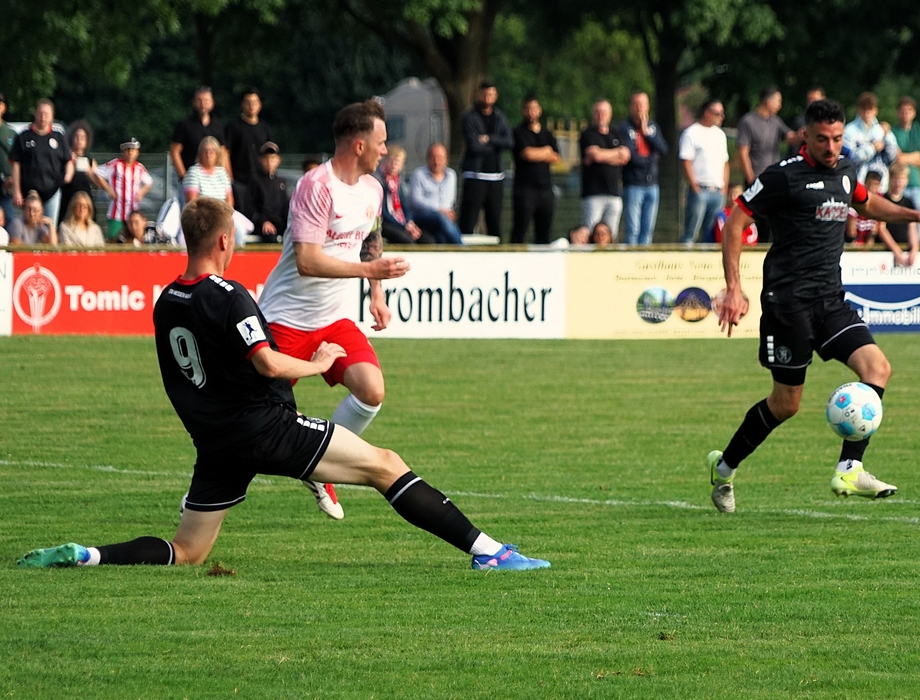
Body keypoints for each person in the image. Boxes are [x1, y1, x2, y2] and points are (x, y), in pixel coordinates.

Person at [16, 196, 549, 572]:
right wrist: (320, 363)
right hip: (264, 428)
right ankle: (490, 552)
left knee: (189, 551)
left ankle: (89, 555)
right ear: (224, 240)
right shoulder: (230, 296)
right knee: (386, 465)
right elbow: (269, 364)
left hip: (216, 441)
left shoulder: (166, 301)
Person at [709, 99, 920, 514]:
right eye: (822, 139)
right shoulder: (782, 177)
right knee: (786, 404)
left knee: (878, 369)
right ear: (806, 135)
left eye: (838, 138)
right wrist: (734, 287)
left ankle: (849, 468)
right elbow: (736, 222)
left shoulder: (845, 170)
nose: (831, 147)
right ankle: (724, 468)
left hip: (829, 301)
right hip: (788, 305)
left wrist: (916, 216)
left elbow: (867, 203)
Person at [256, 99, 410, 521]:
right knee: (258, 421)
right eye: (381, 142)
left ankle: (319, 466)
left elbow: (371, 239)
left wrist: (376, 293)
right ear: (359, 145)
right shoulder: (316, 186)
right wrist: (368, 271)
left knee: (372, 390)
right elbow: (307, 261)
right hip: (285, 319)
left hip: (334, 320)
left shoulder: (373, 189)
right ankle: (207, 491)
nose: (385, 150)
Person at [736, 86, 796, 242]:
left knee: (771, 222)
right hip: (756, 180)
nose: (780, 105)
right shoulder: (748, 121)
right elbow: (743, 152)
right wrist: (750, 178)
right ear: (768, 101)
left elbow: (791, 138)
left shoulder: (775, 121)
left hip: (773, 180)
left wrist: (806, 134)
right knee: (755, 220)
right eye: (778, 101)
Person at [458, 81, 513, 238]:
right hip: (475, 175)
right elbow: (474, 146)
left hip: (496, 177)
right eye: (484, 94)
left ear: (496, 96)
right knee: (468, 221)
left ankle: (497, 249)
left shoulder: (500, 117)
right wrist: (497, 145)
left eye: (491, 94)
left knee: (494, 222)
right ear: (478, 95)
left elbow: (509, 142)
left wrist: (489, 139)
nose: (487, 98)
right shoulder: (469, 117)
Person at [10, 99, 73, 222]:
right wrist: (17, 191)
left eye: (46, 114)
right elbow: (15, 164)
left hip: (52, 192)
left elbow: (68, 160)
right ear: (35, 114)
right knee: (27, 227)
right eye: (40, 113)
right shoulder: (23, 136)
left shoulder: (59, 137)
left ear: (52, 116)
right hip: (28, 193)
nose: (43, 117)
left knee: (49, 226)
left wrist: (68, 176)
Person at [620, 91, 669, 245]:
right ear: (631, 107)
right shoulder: (624, 128)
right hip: (633, 184)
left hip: (652, 185)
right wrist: (651, 158)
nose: (639, 107)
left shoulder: (653, 127)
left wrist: (647, 133)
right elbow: (631, 157)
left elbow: (663, 149)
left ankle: (644, 256)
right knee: (633, 229)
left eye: (642, 104)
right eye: (636, 104)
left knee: (647, 229)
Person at [510, 95, 560, 244]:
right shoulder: (518, 132)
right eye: (527, 109)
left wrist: (539, 153)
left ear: (539, 110)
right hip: (524, 190)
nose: (531, 113)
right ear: (523, 111)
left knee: (544, 232)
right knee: (520, 229)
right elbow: (527, 154)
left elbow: (556, 157)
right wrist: (546, 150)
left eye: (534, 109)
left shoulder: (547, 133)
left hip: (545, 189)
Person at [679, 99, 729, 246]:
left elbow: (725, 162)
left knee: (712, 234)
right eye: (718, 113)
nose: (722, 117)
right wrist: (695, 186)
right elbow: (686, 161)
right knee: (691, 232)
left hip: (717, 191)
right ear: (707, 114)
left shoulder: (720, 135)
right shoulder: (691, 133)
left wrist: (724, 187)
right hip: (700, 189)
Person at [579, 99, 629, 240]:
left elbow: (625, 157)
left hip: (614, 193)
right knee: (590, 234)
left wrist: (602, 155)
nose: (601, 115)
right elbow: (595, 155)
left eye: (604, 112)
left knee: (610, 236)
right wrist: (616, 153)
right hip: (593, 194)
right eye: (598, 112)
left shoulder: (616, 133)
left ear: (610, 114)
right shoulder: (588, 134)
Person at [170, 87, 229, 195]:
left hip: (213, 181)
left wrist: (225, 177)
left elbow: (223, 152)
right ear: (194, 102)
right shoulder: (184, 125)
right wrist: (183, 176)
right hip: (191, 180)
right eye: (199, 100)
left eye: (206, 100)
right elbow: (175, 151)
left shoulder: (218, 126)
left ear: (212, 103)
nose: (203, 104)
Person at [93, 137, 154, 241]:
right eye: (127, 149)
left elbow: (149, 182)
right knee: (114, 240)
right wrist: (108, 189)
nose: (130, 152)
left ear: (137, 152)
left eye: (133, 149)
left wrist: (141, 193)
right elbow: (97, 172)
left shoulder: (139, 168)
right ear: (123, 151)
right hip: (116, 212)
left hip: (133, 212)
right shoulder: (115, 164)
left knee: (134, 239)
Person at [226, 88, 272, 216]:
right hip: (240, 180)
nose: (251, 106)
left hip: (260, 181)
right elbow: (225, 153)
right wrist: (230, 178)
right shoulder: (233, 127)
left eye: (254, 102)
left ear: (260, 105)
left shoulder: (264, 128)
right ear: (242, 104)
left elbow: (270, 155)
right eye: (248, 102)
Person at [408, 143, 463, 245]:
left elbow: (450, 198)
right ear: (428, 159)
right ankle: (462, 247)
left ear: (446, 160)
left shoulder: (451, 175)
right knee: (440, 217)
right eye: (433, 158)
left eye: (440, 158)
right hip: (422, 215)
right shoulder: (418, 174)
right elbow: (415, 200)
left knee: (441, 235)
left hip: (443, 218)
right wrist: (439, 210)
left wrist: (447, 211)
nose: (437, 161)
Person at [843, 92, 897, 193]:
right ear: (858, 110)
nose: (867, 113)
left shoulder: (882, 129)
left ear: (876, 110)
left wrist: (887, 138)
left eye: (870, 109)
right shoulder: (849, 131)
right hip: (857, 185)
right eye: (864, 109)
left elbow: (892, 157)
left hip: (881, 186)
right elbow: (849, 158)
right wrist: (871, 148)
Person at [374, 145, 422, 244]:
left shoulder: (399, 183)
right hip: (385, 222)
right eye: (391, 161)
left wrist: (409, 223)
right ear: (385, 161)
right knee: (407, 241)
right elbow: (383, 211)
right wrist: (404, 226)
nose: (394, 165)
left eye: (398, 162)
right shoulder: (378, 180)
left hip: (401, 221)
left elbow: (405, 206)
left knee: (426, 239)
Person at [890, 97, 920, 207]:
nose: (906, 114)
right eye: (902, 111)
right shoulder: (892, 132)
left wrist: (905, 158)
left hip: (916, 184)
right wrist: (917, 155)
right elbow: (897, 158)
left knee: (917, 215)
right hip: (898, 184)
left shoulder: (919, 132)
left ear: (914, 113)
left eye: (909, 111)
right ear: (897, 113)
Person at [879, 162, 920, 266]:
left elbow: (912, 228)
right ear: (890, 179)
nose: (899, 183)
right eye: (896, 179)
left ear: (907, 180)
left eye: (902, 179)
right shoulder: (883, 200)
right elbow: (881, 228)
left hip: (904, 249)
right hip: (885, 251)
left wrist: (914, 249)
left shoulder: (908, 203)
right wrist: (896, 250)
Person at [58, 121, 97, 224]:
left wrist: (89, 172)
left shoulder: (90, 160)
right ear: (71, 138)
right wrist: (70, 162)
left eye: (82, 137)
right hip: (68, 198)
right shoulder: (65, 157)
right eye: (76, 136)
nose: (79, 140)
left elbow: (97, 184)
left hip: (85, 199)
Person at [250, 142, 289, 243]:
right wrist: (263, 221)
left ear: (278, 160)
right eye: (266, 158)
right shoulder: (255, 181)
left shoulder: (282, 183)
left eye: (272, 158)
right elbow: (251, 207)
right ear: (260, 160)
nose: (269, 162)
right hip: (263, 225)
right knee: (271, 238)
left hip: (280, 223)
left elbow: (286, 207)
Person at [183, 137, 233, 206]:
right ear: (200, 154)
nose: (208, 155)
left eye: (211, 152)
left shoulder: (222, 173)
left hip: (222, 211)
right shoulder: (193, 172)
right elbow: (192, 202)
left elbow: (230, 200)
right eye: (205, 152)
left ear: (217, 154)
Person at [788, 87, 826, 151]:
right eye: (809, 100)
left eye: (815, 100)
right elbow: (793, 148)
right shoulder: (799, 122)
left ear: (823, 100)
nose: (812, 103)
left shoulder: (829, 121)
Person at [0, 93, 16, 227]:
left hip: (6, 189)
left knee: (10, 222)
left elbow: (19, 161)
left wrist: (12, 178)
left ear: (4, 107)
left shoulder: (11, 133)